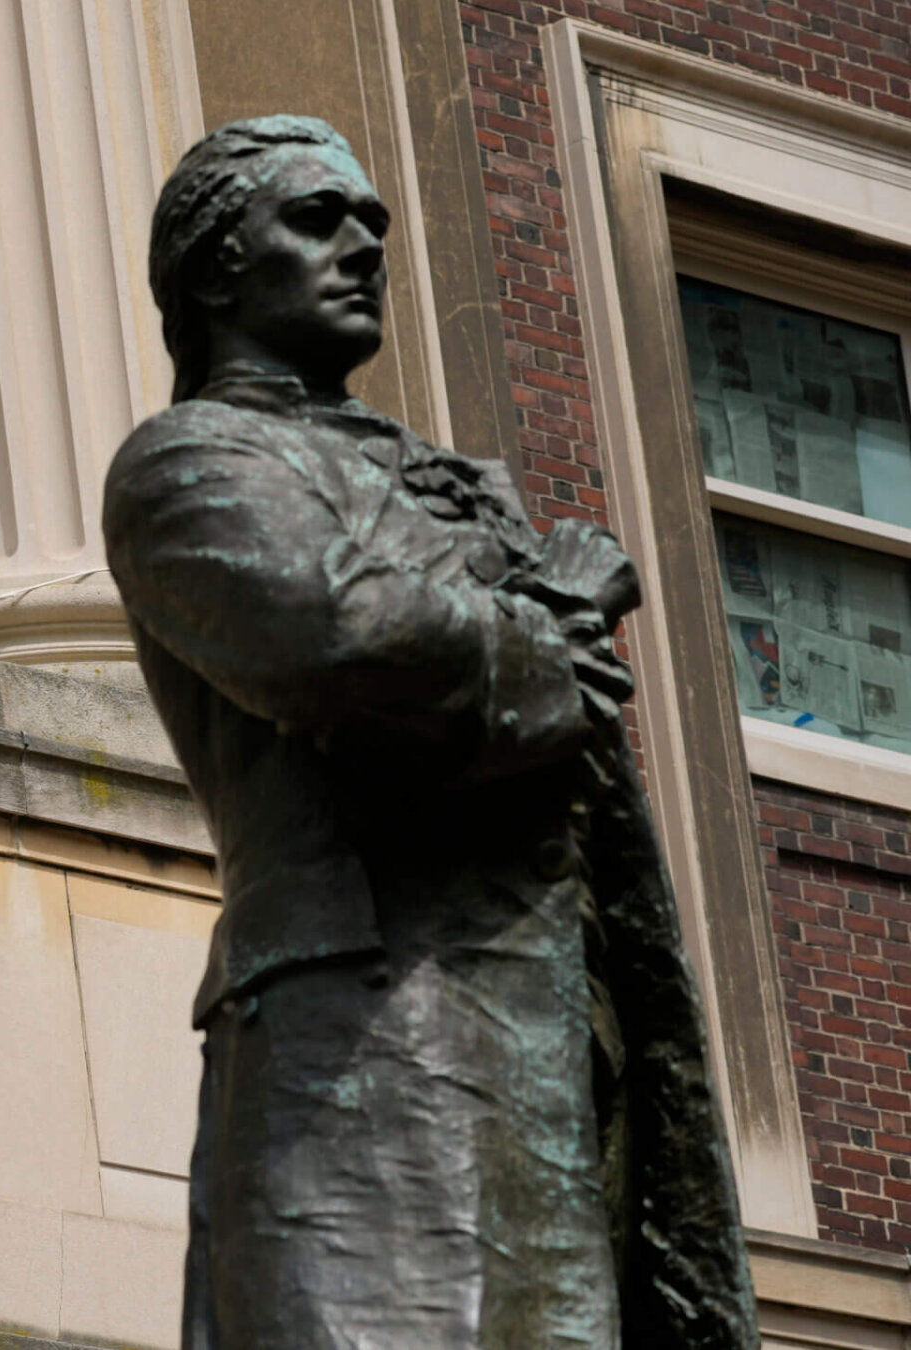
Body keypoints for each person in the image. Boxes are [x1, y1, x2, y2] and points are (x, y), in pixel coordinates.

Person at [100, 115, 754, 1347]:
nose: (363, 246)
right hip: (365, 1033)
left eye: (376, 226)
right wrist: (552, 614)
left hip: (554, 1049)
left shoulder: (448, 484)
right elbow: (336, 644)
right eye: (318, 218)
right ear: (215, 268)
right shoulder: (189, 463)